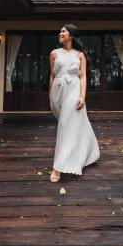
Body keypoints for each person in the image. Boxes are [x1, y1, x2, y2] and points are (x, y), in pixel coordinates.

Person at [48, 24, 100, 182]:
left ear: (71, 35)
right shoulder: (54, 53)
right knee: (68, 125)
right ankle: (89, 150)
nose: (60, 33)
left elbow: (83, 76)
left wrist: (82, 96)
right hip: (57, 91)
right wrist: (50, 94)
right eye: (60, 31)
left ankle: (57, 167)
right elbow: (52, 74)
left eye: (63, 31)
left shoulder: (80, 55)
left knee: (65, 125)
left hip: (74, 89)